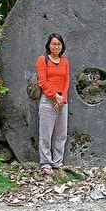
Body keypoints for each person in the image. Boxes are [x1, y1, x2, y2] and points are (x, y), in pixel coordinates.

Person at [36, 33, 70, 175]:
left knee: (61, 134)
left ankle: (57, 162)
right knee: (46, 134)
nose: (56, 46)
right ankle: (45, 163)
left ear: (62, 46)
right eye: (54, 44)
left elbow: (67, 80)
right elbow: (42, 81)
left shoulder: (65, 62)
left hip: (62, 101)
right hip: (48, 101)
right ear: (49, 45)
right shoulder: (42, 60)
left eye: (59, 44)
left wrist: (62, 98)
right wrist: (55, 96)